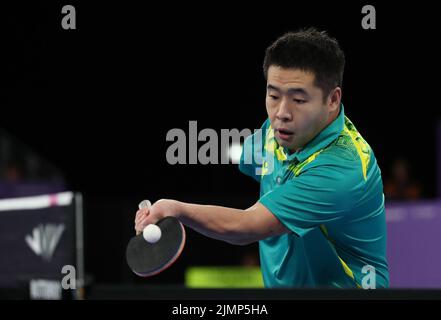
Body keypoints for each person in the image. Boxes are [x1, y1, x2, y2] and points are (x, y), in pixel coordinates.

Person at [134, 28, 389, 288]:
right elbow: (246, 157)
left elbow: (247, 227)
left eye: (298, 100)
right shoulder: (274, 133)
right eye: (273, 95)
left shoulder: (343, 167)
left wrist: (175, 208)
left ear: (333, 99)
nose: (281, 113)